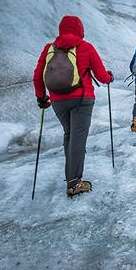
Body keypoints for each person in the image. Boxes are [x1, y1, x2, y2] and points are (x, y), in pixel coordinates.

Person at [32, 15, 114, 197]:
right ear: (80, 30)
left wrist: (41, 97)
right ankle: (74, 183)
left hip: (58, 100)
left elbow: (38, 76)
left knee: (69, 135)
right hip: (82, 99)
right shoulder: (85, 47)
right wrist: (109, 78)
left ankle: (71, 176)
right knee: (77, 138)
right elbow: (101, 76)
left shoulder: (49, 49)